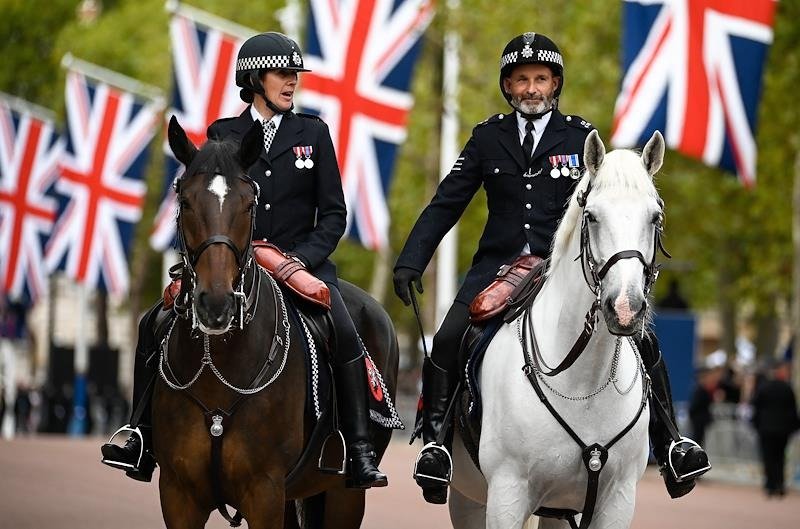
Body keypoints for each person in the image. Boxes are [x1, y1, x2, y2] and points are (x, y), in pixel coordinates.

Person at [392, 32, 710, 504]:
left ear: (555, 84)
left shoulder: (583, 137)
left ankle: (671, 443)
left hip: (561, 266)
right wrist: (412, 259)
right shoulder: (487, 137)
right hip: (496, 268)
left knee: (641, 336)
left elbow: (606, 209)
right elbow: (446, 203)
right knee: (448, 336)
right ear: (508, 86)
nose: (531, 88)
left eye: (541, 78)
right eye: (521, 80)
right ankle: (437, 443)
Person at [101, 32, 386, 489]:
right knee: (152, 322)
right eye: (283, 74)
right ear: (255, 79)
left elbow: (334, 215)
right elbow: (204, 206)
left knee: (345, 328)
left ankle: (358, 448)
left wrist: (300, 261)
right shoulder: (222, 135)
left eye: (295, 75)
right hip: (229, 264)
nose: (292, 82)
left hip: (299, 264)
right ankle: (140, 434)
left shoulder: (313, 133)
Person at [750, 359, 800, 497]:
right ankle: (780, 484)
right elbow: (793, 410)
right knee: (780, 457)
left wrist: (755, 424)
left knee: (768, 457)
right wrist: (794, 426)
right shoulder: (787, 388)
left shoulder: (764, 387)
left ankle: (770, 485)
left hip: (766, 429)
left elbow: (756, 407)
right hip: (783, 430)